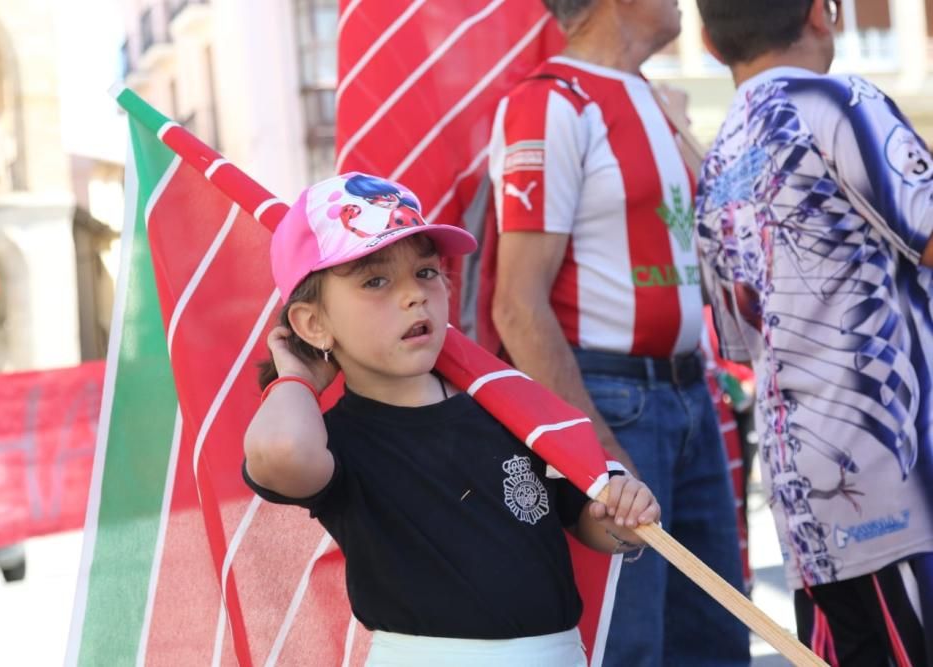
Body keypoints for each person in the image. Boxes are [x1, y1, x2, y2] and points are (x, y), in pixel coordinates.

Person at [242, 172, 662, 666]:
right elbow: (281, 453)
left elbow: (582, 514)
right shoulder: (336, 441)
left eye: (426, 272)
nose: (415, 295)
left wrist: (622, 523)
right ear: (314, 323)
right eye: (375, 281)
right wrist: (296, 373)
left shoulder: (511, 407)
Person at [487, 1, 750, 665]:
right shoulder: (551, 102)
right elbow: (516, 305)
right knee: (628, 644)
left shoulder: (655, 100)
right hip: (614, 402)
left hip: (689, 392)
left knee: (716, 639)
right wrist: (595, 454)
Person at [694, 0, 933, 663]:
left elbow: (739, 342)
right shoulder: (837, 101)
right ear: (823, 15)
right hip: (902, 475)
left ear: (710, 44)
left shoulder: (714, 167)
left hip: (809, 506)